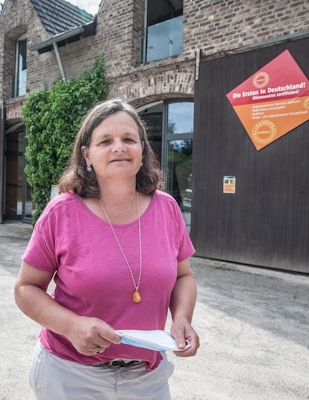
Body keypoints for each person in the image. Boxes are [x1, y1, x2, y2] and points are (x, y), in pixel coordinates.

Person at [14, 99, 199, 399]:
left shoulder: (167, 209)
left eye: (129, 139)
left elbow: (183, 276)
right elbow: (25, 289)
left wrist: (182, 318)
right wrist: (71, 326)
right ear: (87, 155)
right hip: (70, 376)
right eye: (105, 141)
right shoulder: (61, 213)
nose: (119, 147)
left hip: (147, 378)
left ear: (142, 150)